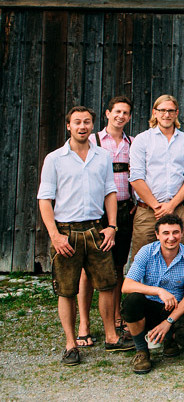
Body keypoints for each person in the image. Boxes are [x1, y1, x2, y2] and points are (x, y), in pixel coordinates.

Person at [38, 106, 133, 365]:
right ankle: (71, 344)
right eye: (77, 122)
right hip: (66, 232)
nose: (82, 126)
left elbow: (110, 192)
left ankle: (112, 337)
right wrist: (55, 236)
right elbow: (45, 200)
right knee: (66, 290)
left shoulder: (102, 157)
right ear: (68, 126)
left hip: (95, 229)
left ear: (93, 125)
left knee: (107, 283)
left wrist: (112, 226)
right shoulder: (54, 159)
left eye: (87, 122)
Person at [77, 96, 135, 348]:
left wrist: (134, 202)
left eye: (125, 113)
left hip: (124, 211)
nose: (121, 116)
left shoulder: (132, 143)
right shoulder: (93, 140)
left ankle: (116, 316)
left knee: (117, 266)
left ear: (129, 117)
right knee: (89, 270)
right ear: (108, 113)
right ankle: (84, 324)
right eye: (117, 112)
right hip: (98, 214)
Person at [122, 215, 184, 374]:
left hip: (175, 307)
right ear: (157, 234)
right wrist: (158, 291)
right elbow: (127, 286)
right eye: (166, 233)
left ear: (182, 233)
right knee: (131, 301)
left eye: (175, 232)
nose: (171, 238)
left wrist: (168, 322)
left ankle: (168, 339)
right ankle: (142, 352)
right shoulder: (146, 252)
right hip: (149, 304)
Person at [128, 94, 184, 258]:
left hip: (176, 210)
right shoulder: (142, 140)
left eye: (170, 111)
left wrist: (171, 206)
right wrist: (156, 207)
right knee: (142, 260)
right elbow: (136, 178)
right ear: (154, 112)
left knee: (177, 260)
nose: (166, 115)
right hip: (147, 212)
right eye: (162, 110)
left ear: (176, 113)